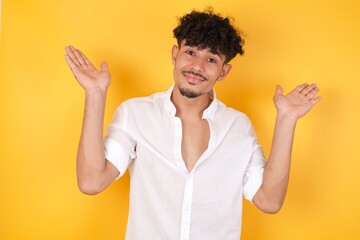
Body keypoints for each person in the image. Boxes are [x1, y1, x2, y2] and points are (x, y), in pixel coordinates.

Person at [64, 9, 320, 240]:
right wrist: (95, 93)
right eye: (191, 52)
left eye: (211, 59)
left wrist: (287, 118)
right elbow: (91, 182)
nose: (197, 66)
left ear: (223, 71)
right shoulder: (136, 114)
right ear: (175, 54)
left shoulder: (238, 126)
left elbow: (269, 200)